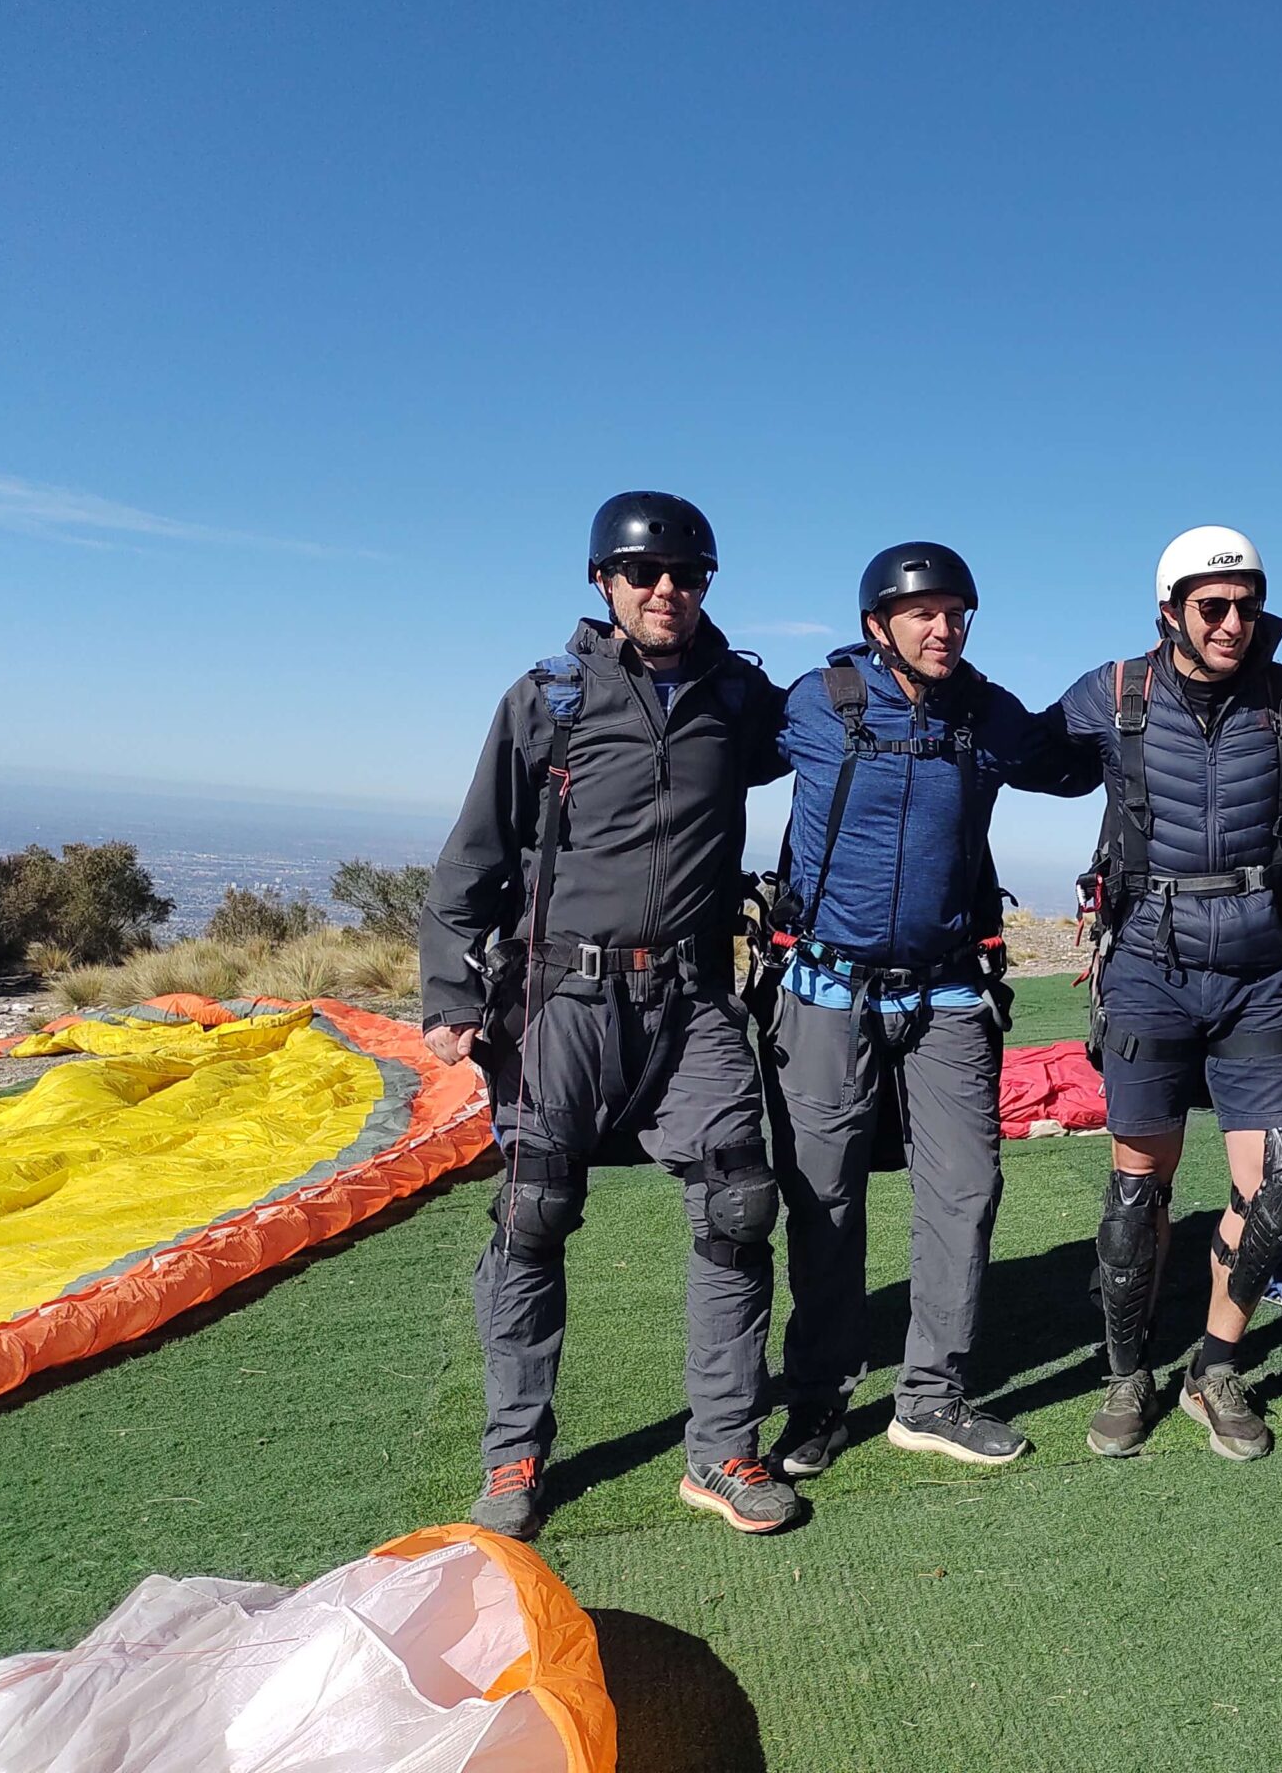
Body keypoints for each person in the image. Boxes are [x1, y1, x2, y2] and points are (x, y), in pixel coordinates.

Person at [420, 492, 801, 1539]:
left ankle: (722, 1450)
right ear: (604, 581)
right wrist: (451, 996)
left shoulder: (741, 700)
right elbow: (473, 855)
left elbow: (835, 739)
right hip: (562, 1001)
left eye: (687, 575)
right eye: (643, 573)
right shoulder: (548, 699)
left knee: (739, 1205)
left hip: (692, 999)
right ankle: (512, 1459)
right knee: (533, 1215)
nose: (666, 589)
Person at [759, 543, 1100, 1478]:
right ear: (879, 624)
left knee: (966, 1190)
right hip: (826, 987)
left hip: (948, 989)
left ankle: (931, 1398)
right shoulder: (818, 702)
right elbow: (711, 758)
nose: (943, 628)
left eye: (956, 614)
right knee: (823, 1197)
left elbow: (1073, 768)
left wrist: (1131, 699)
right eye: (923, 613)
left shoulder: (985, 713)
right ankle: (818, 1398)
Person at [1055, 527, 1282, 1461]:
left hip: (1264, 974)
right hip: (1149, 966)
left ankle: (1213, 1368)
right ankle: (1125, 1372)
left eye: (1246, 605)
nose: (1232, 622)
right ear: (1170, 611)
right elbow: (1012, 752)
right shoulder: (1113, 693)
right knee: (1138, 1189)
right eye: (1212, 606)